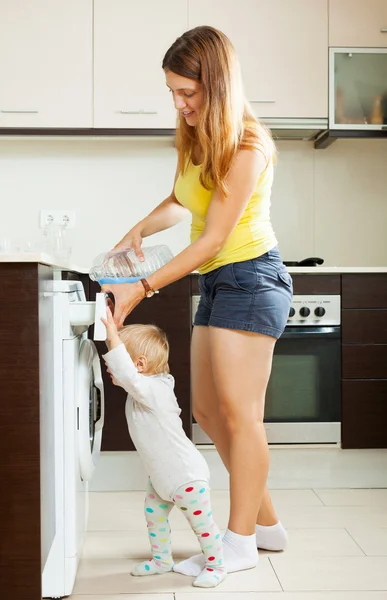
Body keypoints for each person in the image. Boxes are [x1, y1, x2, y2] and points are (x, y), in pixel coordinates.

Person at [102, 25, 293, 575]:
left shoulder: (249, 144)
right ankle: (268, 525)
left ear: (218, 85)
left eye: (188, 92)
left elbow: (213, 237)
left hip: (252, 280)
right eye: (173, 93)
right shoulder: (197, 136)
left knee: (241, 416)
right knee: (208, 412)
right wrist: (139, 229)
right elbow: (181, 201)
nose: (180, 104)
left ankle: (239, 543)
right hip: (216, 282)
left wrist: (142, 287)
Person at [101, 307, 226, 588]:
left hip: (185, 477)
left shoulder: (154, 391)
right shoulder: (144, 390)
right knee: (154, 515)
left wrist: (112, 337)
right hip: (161, 476)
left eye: (115, 358)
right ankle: (162, 560)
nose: (109, 365)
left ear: (140, 364)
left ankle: (217, 565)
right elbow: (129, 377)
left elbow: (128, 376)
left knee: (203, 525)